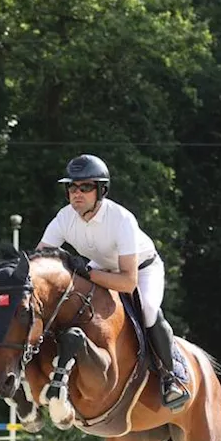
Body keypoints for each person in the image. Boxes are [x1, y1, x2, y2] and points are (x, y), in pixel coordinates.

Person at [36, 154, 189, 411]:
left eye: (85, 187)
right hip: (99, 268)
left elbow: (128, 283)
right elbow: (39, 257)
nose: (77, 193)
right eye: (72, 187)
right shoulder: (64, 218)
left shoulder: (121, 219)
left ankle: (170, 376)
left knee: (148, 312)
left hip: (141, 271)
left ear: (101, 190)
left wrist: (86, 273)